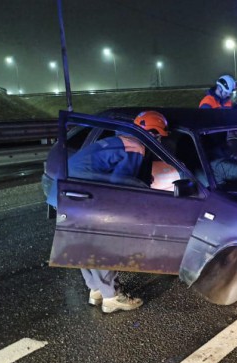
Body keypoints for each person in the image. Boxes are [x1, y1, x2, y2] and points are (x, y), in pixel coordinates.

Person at [47, 110, 169, 313]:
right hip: (81, 195)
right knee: (104, 244)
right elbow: (119, 185)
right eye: (157, 136)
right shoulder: (136, 147)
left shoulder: (119, 140)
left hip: (64, 192)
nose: (157, 141)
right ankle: (112, 297)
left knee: (83, 244)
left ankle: (96, 290)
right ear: (151, 133)